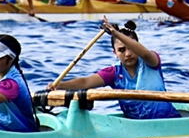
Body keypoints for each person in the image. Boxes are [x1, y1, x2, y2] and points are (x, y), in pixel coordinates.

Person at [47, 18, 179, 120]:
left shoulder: (151, 61)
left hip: (168, 120)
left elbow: (144, 53)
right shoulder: (113, 73)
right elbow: (85, 83)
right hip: (138, 127)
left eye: (131, 48)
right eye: (121, 50)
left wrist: (115, 33)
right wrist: (59, 86)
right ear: (114, 53)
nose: (128, 54)